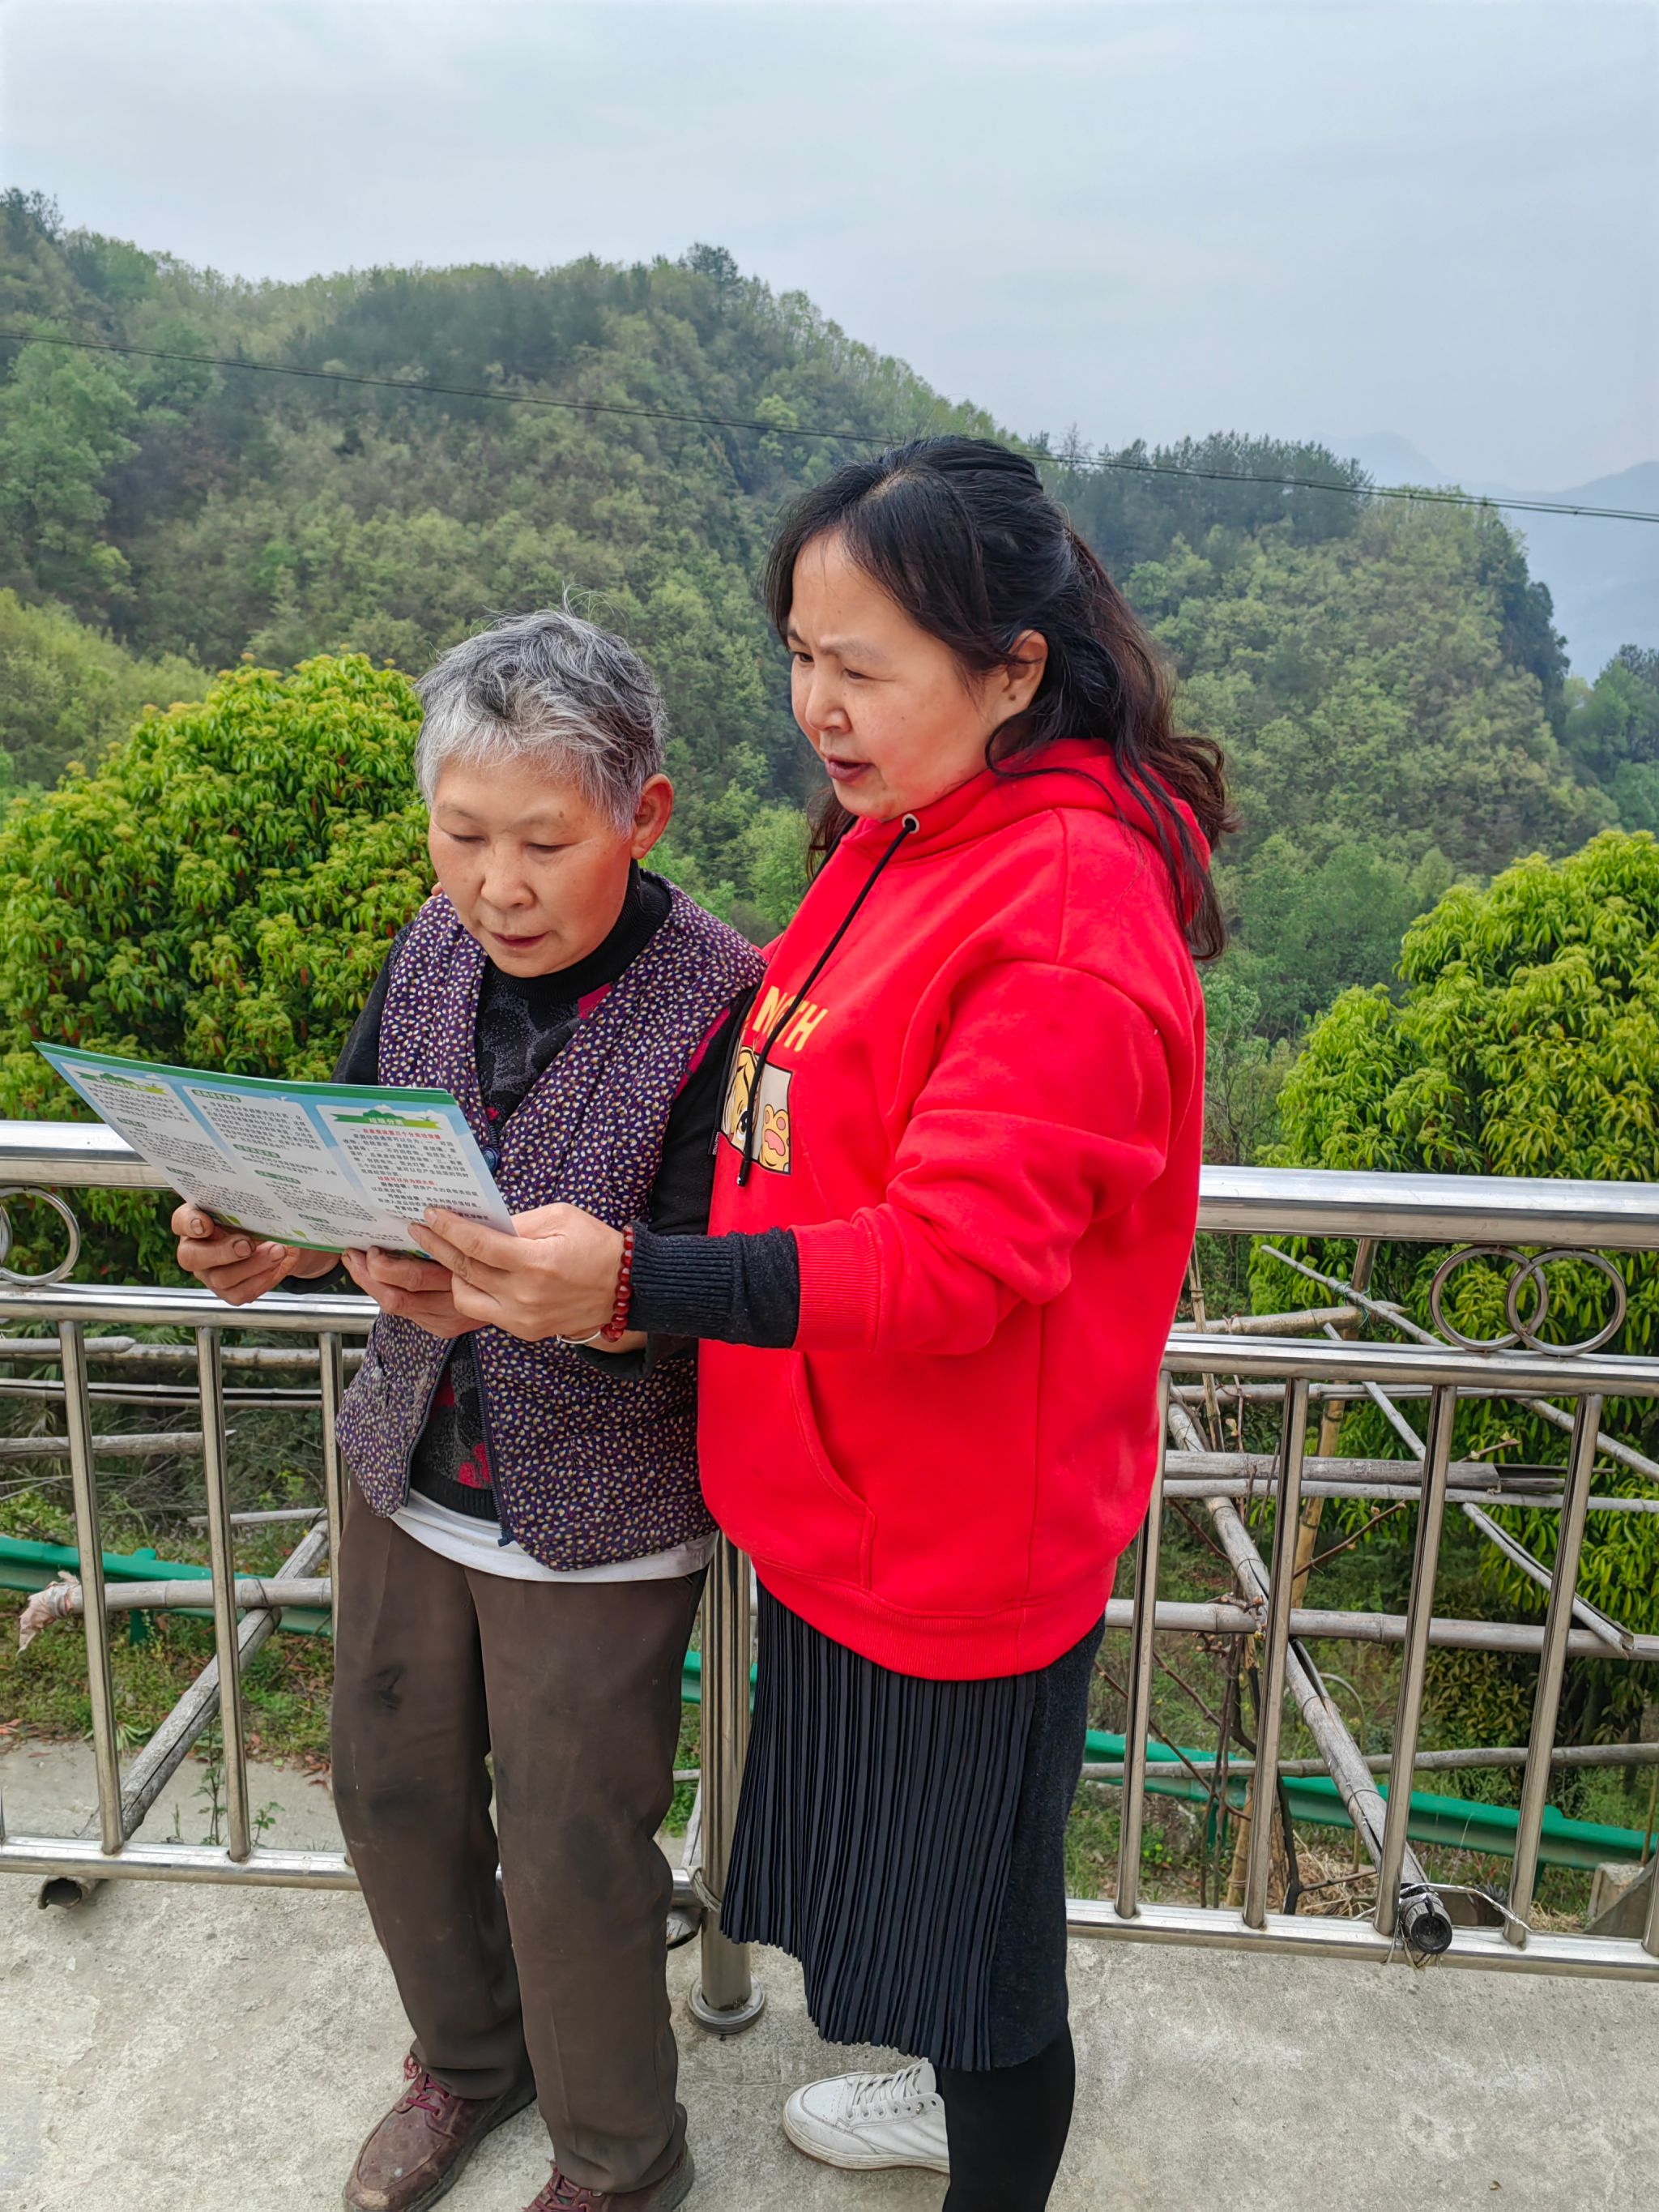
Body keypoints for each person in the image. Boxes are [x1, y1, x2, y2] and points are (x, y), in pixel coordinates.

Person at [411, 438, 1231, 2212]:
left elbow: (953, 1262)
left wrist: (631, 1280)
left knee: (983, 1959)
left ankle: (983, 2152)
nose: (818, 707)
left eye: (863, 666)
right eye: (800, 654)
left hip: (958, 1532)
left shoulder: (1061, 907)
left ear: (1012, 670)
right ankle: (936, 2086)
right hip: (854, 1501)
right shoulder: (916, 833)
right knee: (918, 1908)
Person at [173, 608, 763, 2212]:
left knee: (573, 1848)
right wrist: (277, 1239)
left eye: (543, 843)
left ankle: (620, 2159)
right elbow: (355, 1152)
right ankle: (468, 2058)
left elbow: (724, 1281)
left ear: (643, 816)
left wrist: (556, 1299)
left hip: (598, 1503)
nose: (497, 885)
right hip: (409, 1456)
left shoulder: (725, 1002)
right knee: (390, 1788)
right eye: (462, 834)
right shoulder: (432, 946)